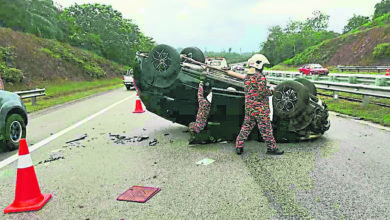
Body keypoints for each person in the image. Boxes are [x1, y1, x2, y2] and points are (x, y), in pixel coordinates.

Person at [226, 54, 284, 155]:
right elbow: (262, 92)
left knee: (246, 127)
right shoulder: (260, 78)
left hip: (249, 107)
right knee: (266, 129)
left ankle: (239, 146)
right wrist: (271, 91)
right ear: (259, 65)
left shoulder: (248, 77)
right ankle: (271, 148)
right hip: (260, 108)